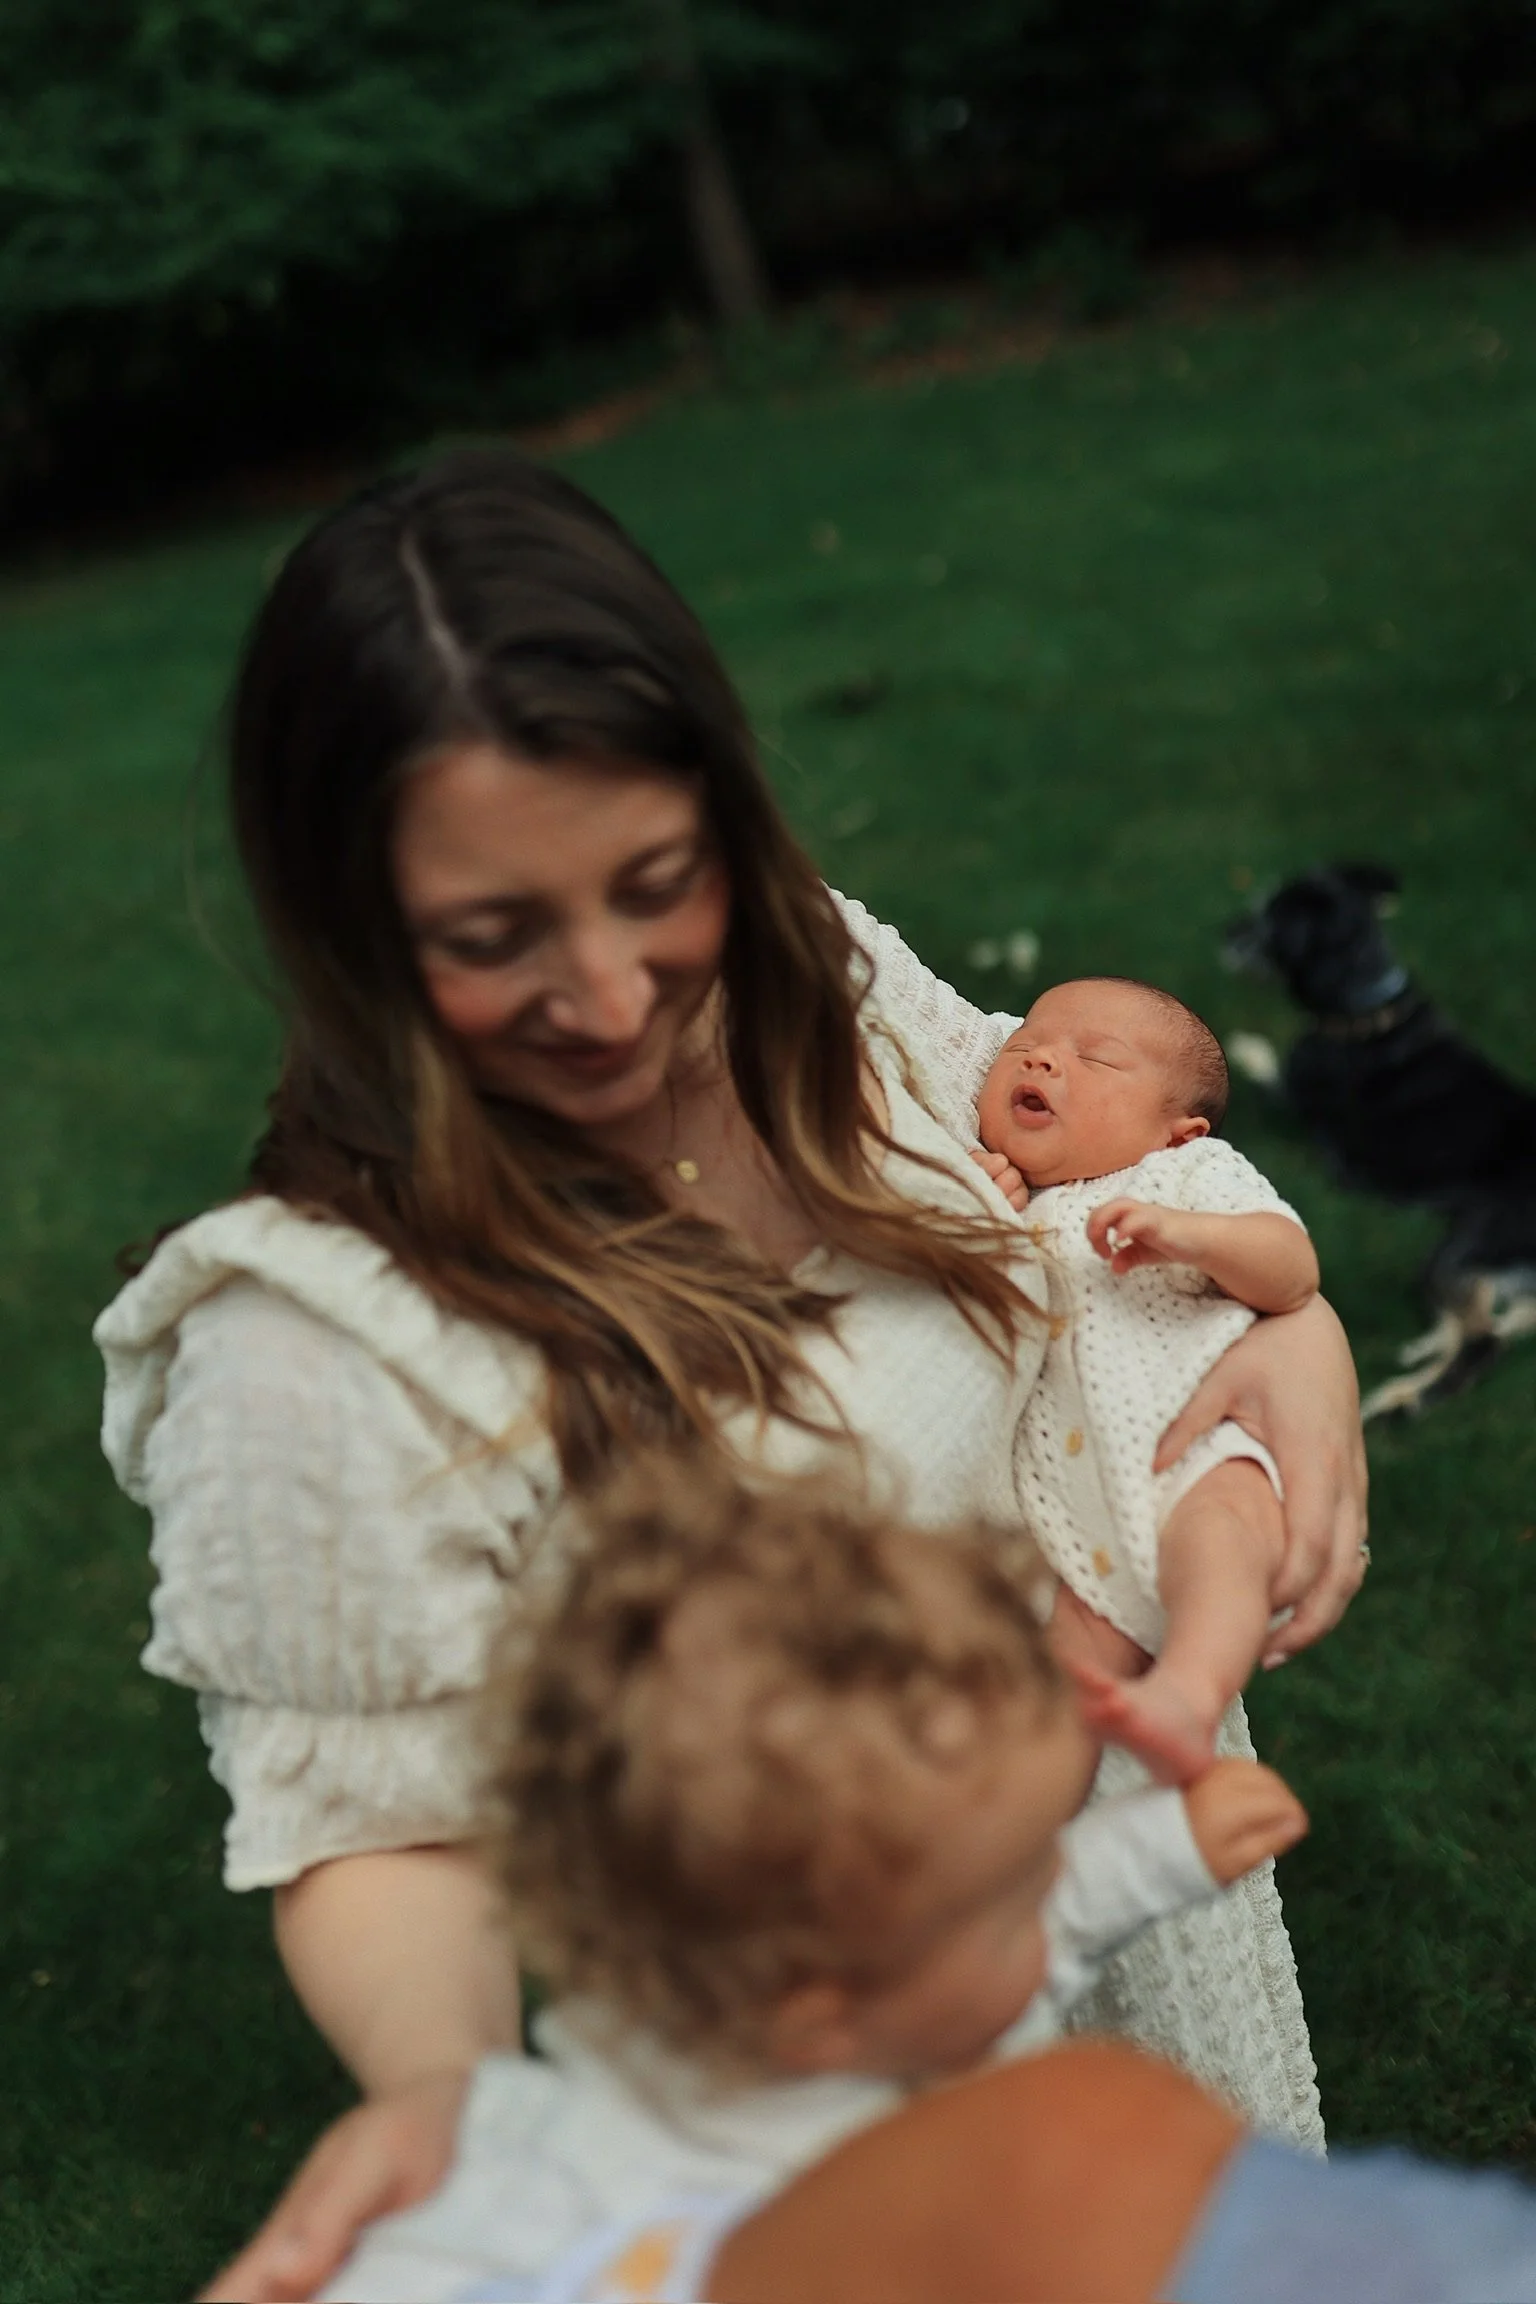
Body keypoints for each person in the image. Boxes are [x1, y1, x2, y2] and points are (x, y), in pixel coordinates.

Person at [92, 448, 1364, 2298]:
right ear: (349, 919)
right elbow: (380, 1816)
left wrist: (1296, 1334)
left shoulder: (812, 976)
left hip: (1139, 1881)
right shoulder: (313, 1346)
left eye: (653, 881)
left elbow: (1097, 1166)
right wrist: (443, 2086)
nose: (612, 998)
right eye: (491, 934)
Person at [306, 1456, 1309, 2304]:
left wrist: (1172, 1845)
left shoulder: (898, 1995)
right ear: (822, 2017)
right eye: (1017, 1904)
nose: (1056, 1910)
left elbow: (1043, 1920)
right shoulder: (567, 2198)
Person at [971, 977, 1321, 1783]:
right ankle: (1027, 1826)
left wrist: (1193, 1236)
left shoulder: (1187, 1178)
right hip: (1066, 1507)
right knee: (1062, 1685)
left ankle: (1189, 1698)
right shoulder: (997, 1192)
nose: (1047, 1061)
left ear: (1177, 1133)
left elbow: (1292, 1269)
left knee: (1221, 1538)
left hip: (1196, 1440)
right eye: (1026, 1047)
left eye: (1094, 1059)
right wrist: (973, 1207)